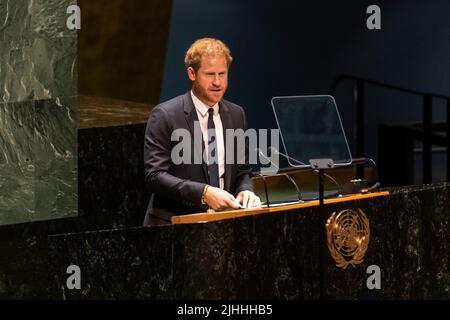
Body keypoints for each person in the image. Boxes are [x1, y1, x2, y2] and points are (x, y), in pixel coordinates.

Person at [143, 37, 260, 226]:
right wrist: (204, 193)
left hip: (222, 225)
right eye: (209, 74)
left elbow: (242, 170)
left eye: (222, 74)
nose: (217, 82)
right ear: (192, 73)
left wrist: (246, 190)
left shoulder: (237, 114)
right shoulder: (165, 114)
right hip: (174, 226)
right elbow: (154, 176)